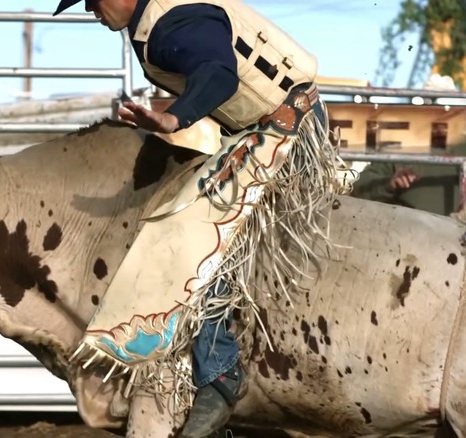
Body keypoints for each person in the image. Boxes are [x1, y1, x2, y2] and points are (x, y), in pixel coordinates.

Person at [53, 1, 349, 437]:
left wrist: (174, 116)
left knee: (198, 232)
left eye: (93, 0)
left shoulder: (170, 24)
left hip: (288, 133)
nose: (92, 11)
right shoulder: (161, 19)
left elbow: (219, 70)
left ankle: (221, 371)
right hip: (270, 128)